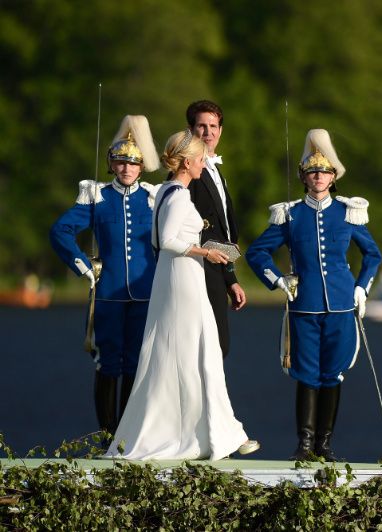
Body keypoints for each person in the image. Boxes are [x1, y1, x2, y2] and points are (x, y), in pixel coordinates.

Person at [106, 130, 258, 460]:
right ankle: (217, 433)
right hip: (183, 280)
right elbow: (169, 240)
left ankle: (218, 431)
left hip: (180, 278)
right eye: (201, 159)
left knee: (194, 354)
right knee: (200, 352)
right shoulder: (177, 195)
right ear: (187, 162)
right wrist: (206, 253)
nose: (205, 164)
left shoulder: (166, 191)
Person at [246, 129, 382, 461]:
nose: (318, 176)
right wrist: (278, 280)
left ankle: (325, 443)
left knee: (332, 373)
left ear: (333, 176)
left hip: (340, 304)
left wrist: (362, 287)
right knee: (306, 374)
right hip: (304, 305)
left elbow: (373, 255)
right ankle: (304, 443)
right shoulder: (290, 214)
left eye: (324, 171)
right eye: (312, 171)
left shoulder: (348, 212)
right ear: (304, 177)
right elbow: (256, 253)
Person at [50, 115, 160, 435]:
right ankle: (107, 436)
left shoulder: (153, 198)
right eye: (120, 162)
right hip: (108, 293)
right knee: (108, 363)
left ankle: (126, 436)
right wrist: (83, 265)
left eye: (133, 163)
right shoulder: (97, 196)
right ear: (111, 165)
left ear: (141, 167)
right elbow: (61, 231)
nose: (126, 168)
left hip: (145, 293)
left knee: (136, 365)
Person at [186, 100, 246, 359]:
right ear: (191, 130)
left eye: (213, 126)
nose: (208, 132)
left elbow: (224, 234)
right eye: (201, 126)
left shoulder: (216, 171)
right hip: (197, 269)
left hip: (216, 269)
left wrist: (230, 279)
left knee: (219, 346)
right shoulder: (186, 173)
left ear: (220, 131)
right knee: (209, 346)